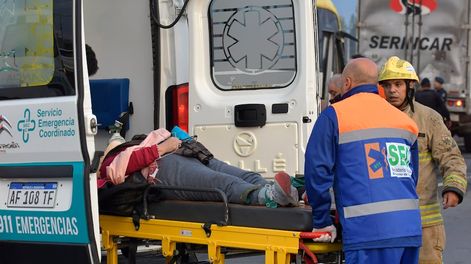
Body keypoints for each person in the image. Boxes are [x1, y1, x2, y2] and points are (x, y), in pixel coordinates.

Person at [305, 57, 422, 264]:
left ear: (347, 83)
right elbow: (412, 177)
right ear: (377, 85)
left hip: (368, 233)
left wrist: (322, 221)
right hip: (408, 230)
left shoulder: (335, 116)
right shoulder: (405, 122)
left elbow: (318, 170)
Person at [379, 56, 467, 264]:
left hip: (424, 225)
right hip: (384, 222)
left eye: (398, 84)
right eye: (388, 85)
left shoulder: (429, 118)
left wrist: (453, 187)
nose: (392, 90)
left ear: (410, 87)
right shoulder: (374, 118)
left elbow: (451, 156)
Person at [98, 128, 299, 207]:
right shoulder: (106, 166)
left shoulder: (123, 149)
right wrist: (163, 147)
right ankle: (269, 196)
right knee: (221, 183)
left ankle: (283, 191)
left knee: (245, 175)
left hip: (184, 154)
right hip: (164, 169)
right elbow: (125, 166)